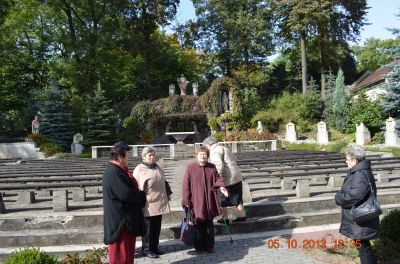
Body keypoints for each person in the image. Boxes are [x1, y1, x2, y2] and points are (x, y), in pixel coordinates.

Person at [102, 142, 146, 264]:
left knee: (127, 255)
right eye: (127, 155)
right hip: (120, 223)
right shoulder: (112, 172)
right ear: (119, 157)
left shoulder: (118, 170)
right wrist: (142, 196)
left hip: (126, 221)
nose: (128, 158)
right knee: (121, 256)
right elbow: (126, 194)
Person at [335, 145, 379, 264]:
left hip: (360, 218)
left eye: (347, 159)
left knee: (364, 248)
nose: (346, 162)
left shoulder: (359, 174)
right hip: (359, 217)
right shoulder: (358, 171)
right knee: (362, 246)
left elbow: (354, 196)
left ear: (354, 160)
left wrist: (338, 197)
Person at [181, 146, 228, 253]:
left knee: (209, 225)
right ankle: (199, 246)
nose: (202, 156)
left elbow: (218, 178)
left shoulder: (212, 167)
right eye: (200, 154)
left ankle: (209, 246)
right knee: (198, 225)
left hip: (209, 201)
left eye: (204, 154)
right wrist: (186, 200)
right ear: (197, 156)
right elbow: (185, 185)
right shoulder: (190, 168)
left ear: (207, 156)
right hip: (197, 201)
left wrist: (221, 187)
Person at [133, 147, 172, 259]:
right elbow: (137, 188)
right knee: (148, 229)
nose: (152, 157)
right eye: (149, 155)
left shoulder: (157, 166)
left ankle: (155, 247)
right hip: (148, 204)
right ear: (144, 157)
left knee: (156, 227)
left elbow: (164, 181)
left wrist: (168, 193)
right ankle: (146, 249)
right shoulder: (139, 169)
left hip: (159, 202)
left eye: (153, 155)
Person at [202, 136, 247, 224]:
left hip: (226, 178)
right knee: (237, 198)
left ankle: (225, 219)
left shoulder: (214, 151)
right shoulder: (224, 148)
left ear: (208, 145)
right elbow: (235, 159)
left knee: (221, 199)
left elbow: (218, 166)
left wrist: (216, 178)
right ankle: (242, 216)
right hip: (236, 176)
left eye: (205, 146)